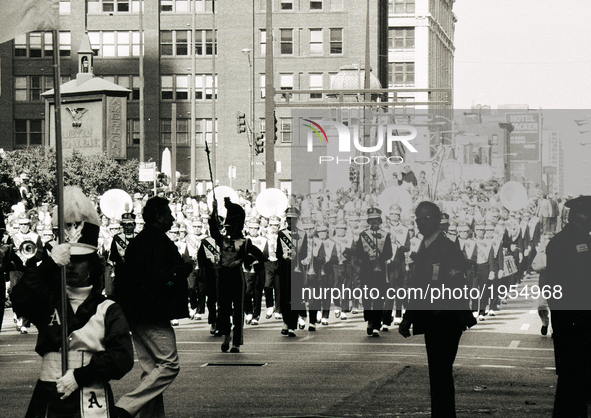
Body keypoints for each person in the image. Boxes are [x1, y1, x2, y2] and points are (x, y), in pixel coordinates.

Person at [11, 186, 134, 418]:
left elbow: (122, 358)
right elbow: (20, 298)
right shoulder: (49, 300)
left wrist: (80, 376)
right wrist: (48, 263)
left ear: (92, 264)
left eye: (81, 260)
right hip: (48, 393)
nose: (73, 266)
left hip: (91, 394)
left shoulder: (108, 309)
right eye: (69, 260)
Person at [115, 196, 193, 418]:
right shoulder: (156, 242)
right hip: (151, 314)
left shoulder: (143, 241)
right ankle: (125, 407)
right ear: (158, 217)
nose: (172, 218)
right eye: (168, 214)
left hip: (138, 312)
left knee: (152, 370)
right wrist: (182, 270)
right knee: (169, 365)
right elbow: (159, 279)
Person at [399, 201, 476, 418]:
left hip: (445, 319)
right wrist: (408, 317)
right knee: (438, 373)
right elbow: (417, 287)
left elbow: (454, 284)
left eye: (426, 218)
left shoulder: (447, 246)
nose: (421, 222)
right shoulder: (424, 245)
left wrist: (410, 317)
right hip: (434, 319)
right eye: (418, 218)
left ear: (438, 220)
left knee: (440, 372)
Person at [545, 195, 591, 417]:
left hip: (573, 318)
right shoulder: (564, 241)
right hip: (575, 319)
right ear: (582, 216)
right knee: (573, 378)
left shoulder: (579, 239)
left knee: (576, 379)